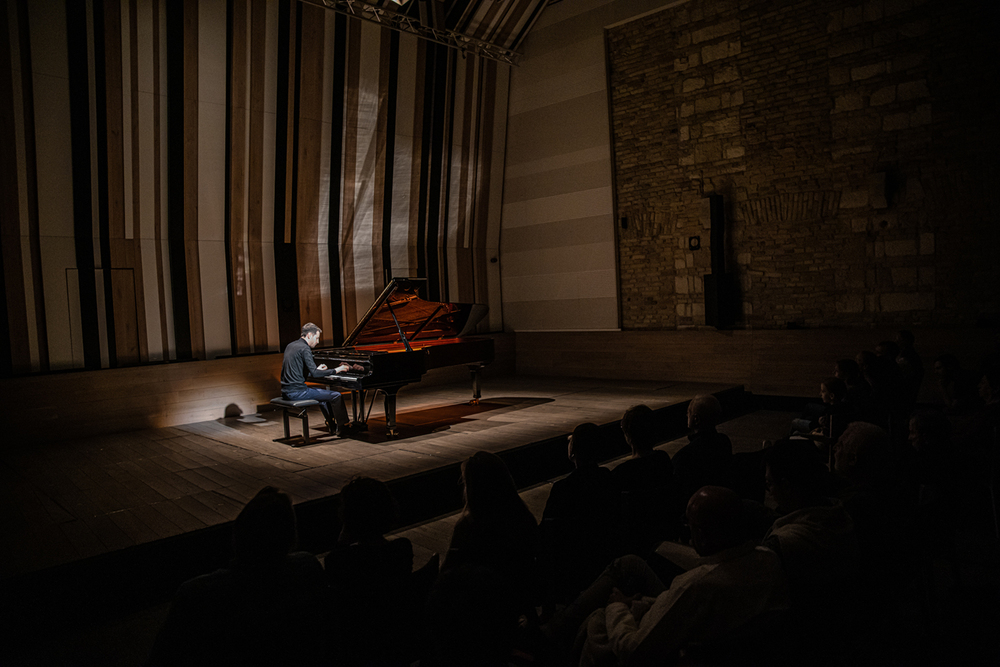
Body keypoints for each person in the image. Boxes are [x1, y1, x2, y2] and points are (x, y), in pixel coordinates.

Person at [562, 486, 789, 667]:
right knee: (630, 564)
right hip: (718, 636)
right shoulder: (768, 558)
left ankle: (553, 642)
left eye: (689, 525)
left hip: (681, 651)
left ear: (700, 533)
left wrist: (618, 607)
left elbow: (633, 652)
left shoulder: (695, 586)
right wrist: (643, 604)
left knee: (597, 619)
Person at [147, 487, 327, 666]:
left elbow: (163, 657)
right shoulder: (308, 568)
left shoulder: (197, 595)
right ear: (291, 538)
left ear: (237, 535)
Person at [442, 451, 539, 618]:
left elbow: (447, 573)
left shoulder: (468, 527)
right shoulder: (524, 517)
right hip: (517, 597)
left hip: (481, 607)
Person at [539, 423, 620, 606]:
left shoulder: (563, 490)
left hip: (572, 569)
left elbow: (546, 534)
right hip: (603, 559)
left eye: (571, 440)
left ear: (574, 450)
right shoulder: (609, 480)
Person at [614, 405, 680, 554]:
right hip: (663, 533)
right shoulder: (663, 460)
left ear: (627, 436)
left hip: (633, 542)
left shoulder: (622, 472)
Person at [281, 322, 360, 437]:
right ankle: (344, 428)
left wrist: (315, 369)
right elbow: (316, 374)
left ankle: (332, 426)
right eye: (316, 338)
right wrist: (337, 369)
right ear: (309, 335)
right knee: (336, 395)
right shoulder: (305, 349)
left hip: (286, 391)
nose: (318, 342)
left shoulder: (291, 346)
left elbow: (299, 371)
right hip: (298, 392)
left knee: (323, 397)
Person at [673, 396, 732, 511]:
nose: (686, 415)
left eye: (688, 412)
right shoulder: (724, 442)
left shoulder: (684, 456)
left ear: (696, 419)